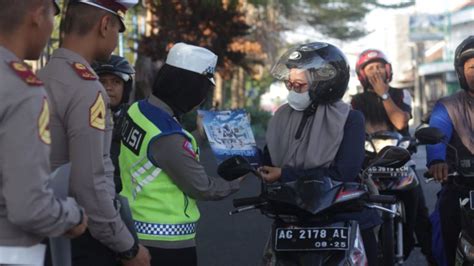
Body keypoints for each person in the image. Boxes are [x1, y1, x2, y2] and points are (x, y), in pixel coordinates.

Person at [37, 1, 151, 266]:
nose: (115, 38)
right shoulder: (86, 88)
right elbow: (89, 184)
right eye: (118, 29)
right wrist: (128, 248)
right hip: (81, 239)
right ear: (104, 25)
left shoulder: (42, 76)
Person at [119, 42, 244, 266]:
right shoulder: (168, 135)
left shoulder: (138, 111)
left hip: (133, 229)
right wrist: (234, 181)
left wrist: (198, 134)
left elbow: (162, 155)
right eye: (202, 91)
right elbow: (202, 187)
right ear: (189, 89)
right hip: (166, 244)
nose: (201, 99)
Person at [258, 42, 381, 266]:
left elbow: (344, 172)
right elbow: (268, 160)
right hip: (293, 214)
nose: (293, 90)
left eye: (300, 85)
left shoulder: (349, 119)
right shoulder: (281, 117)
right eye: (290, 84)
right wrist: (241, 154)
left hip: (342, 214)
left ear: (324, 84)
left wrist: (284, 175)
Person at [0, 0, 87, 265]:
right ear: (37, 15)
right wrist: (74, 216)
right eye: (53, 14)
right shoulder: (21, 89)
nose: (53, 26)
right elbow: (30, 207)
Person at [351, 49, 434, 264]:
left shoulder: (401, 94)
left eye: (380, 66)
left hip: (402, 163)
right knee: (355, 208)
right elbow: (359, 129)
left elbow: (400, 122)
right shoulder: (356, 101)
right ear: (362, 75)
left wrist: (384, 94)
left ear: (388, 70)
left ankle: (434, 258)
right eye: (371, 68)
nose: (376, 71)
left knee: (421, 217)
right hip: (370, 165)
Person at [426, 36, 474, 266]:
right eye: (473, 67)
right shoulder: (448, 105)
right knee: (443, 221)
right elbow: (437, 132)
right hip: (460, 184)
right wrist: (437, 160)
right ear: (461, 72)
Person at [93, 55, 135, 193]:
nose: (109, 88)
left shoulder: (135, 119)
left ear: (126, 88)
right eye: (102, 82)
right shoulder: (81, 118)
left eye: (116, 82)